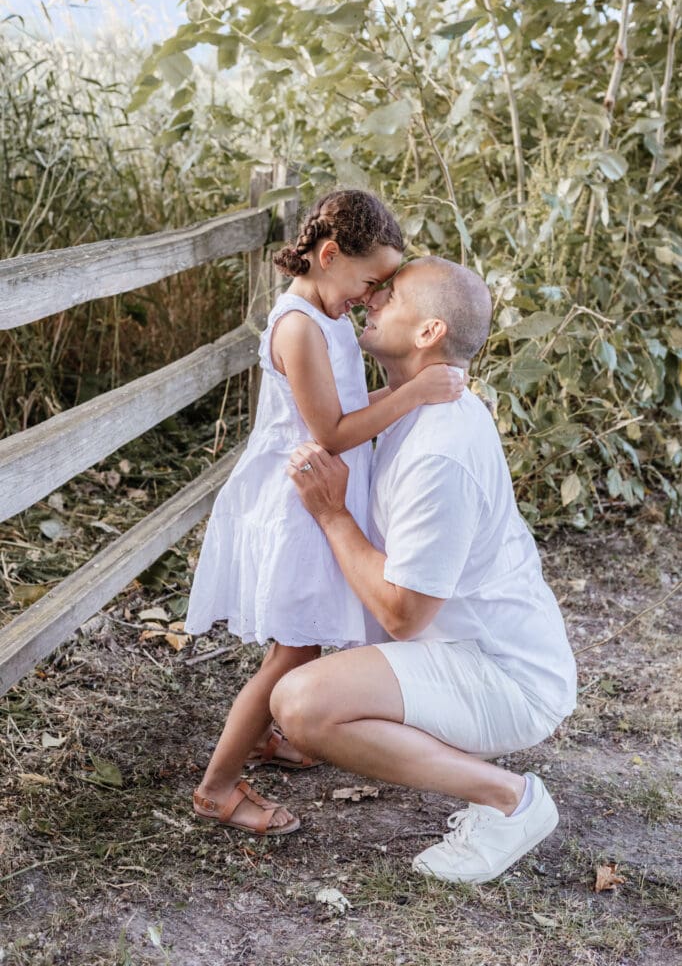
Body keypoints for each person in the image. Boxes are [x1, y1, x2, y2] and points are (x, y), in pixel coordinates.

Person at [273, 255, 577, 882]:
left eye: (391, 295)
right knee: (303, 701)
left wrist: (333, 516)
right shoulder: (415, 405)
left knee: (302, 705)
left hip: (505, 676)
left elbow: (403, 615)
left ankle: (510, 801)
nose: (372, 299)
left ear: (428, 332)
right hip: (475, 651)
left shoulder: (441, 449)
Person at [185, 193, 465, 836]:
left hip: (318, 490)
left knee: (303, 643)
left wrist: (397, 392)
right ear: (330, 256)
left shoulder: (330, 315)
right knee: (294, 649)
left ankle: (268, 736)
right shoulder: (297, 326)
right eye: (370, 282)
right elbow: (333, 431)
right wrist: (413, 393)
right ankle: (217, 789)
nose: (371, 297)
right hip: (297, 501)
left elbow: (343, 405)